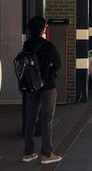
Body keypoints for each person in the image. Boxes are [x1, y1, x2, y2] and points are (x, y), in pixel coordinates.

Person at [22, 16, 63, 164]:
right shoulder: (48, 46)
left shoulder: (26, 45)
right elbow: (57, 65)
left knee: (30, 119)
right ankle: (46, 153)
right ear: (43, 29)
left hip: (31, 87)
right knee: (46, 120)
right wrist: (50, 65)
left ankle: (28, 152)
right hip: (47, 87)